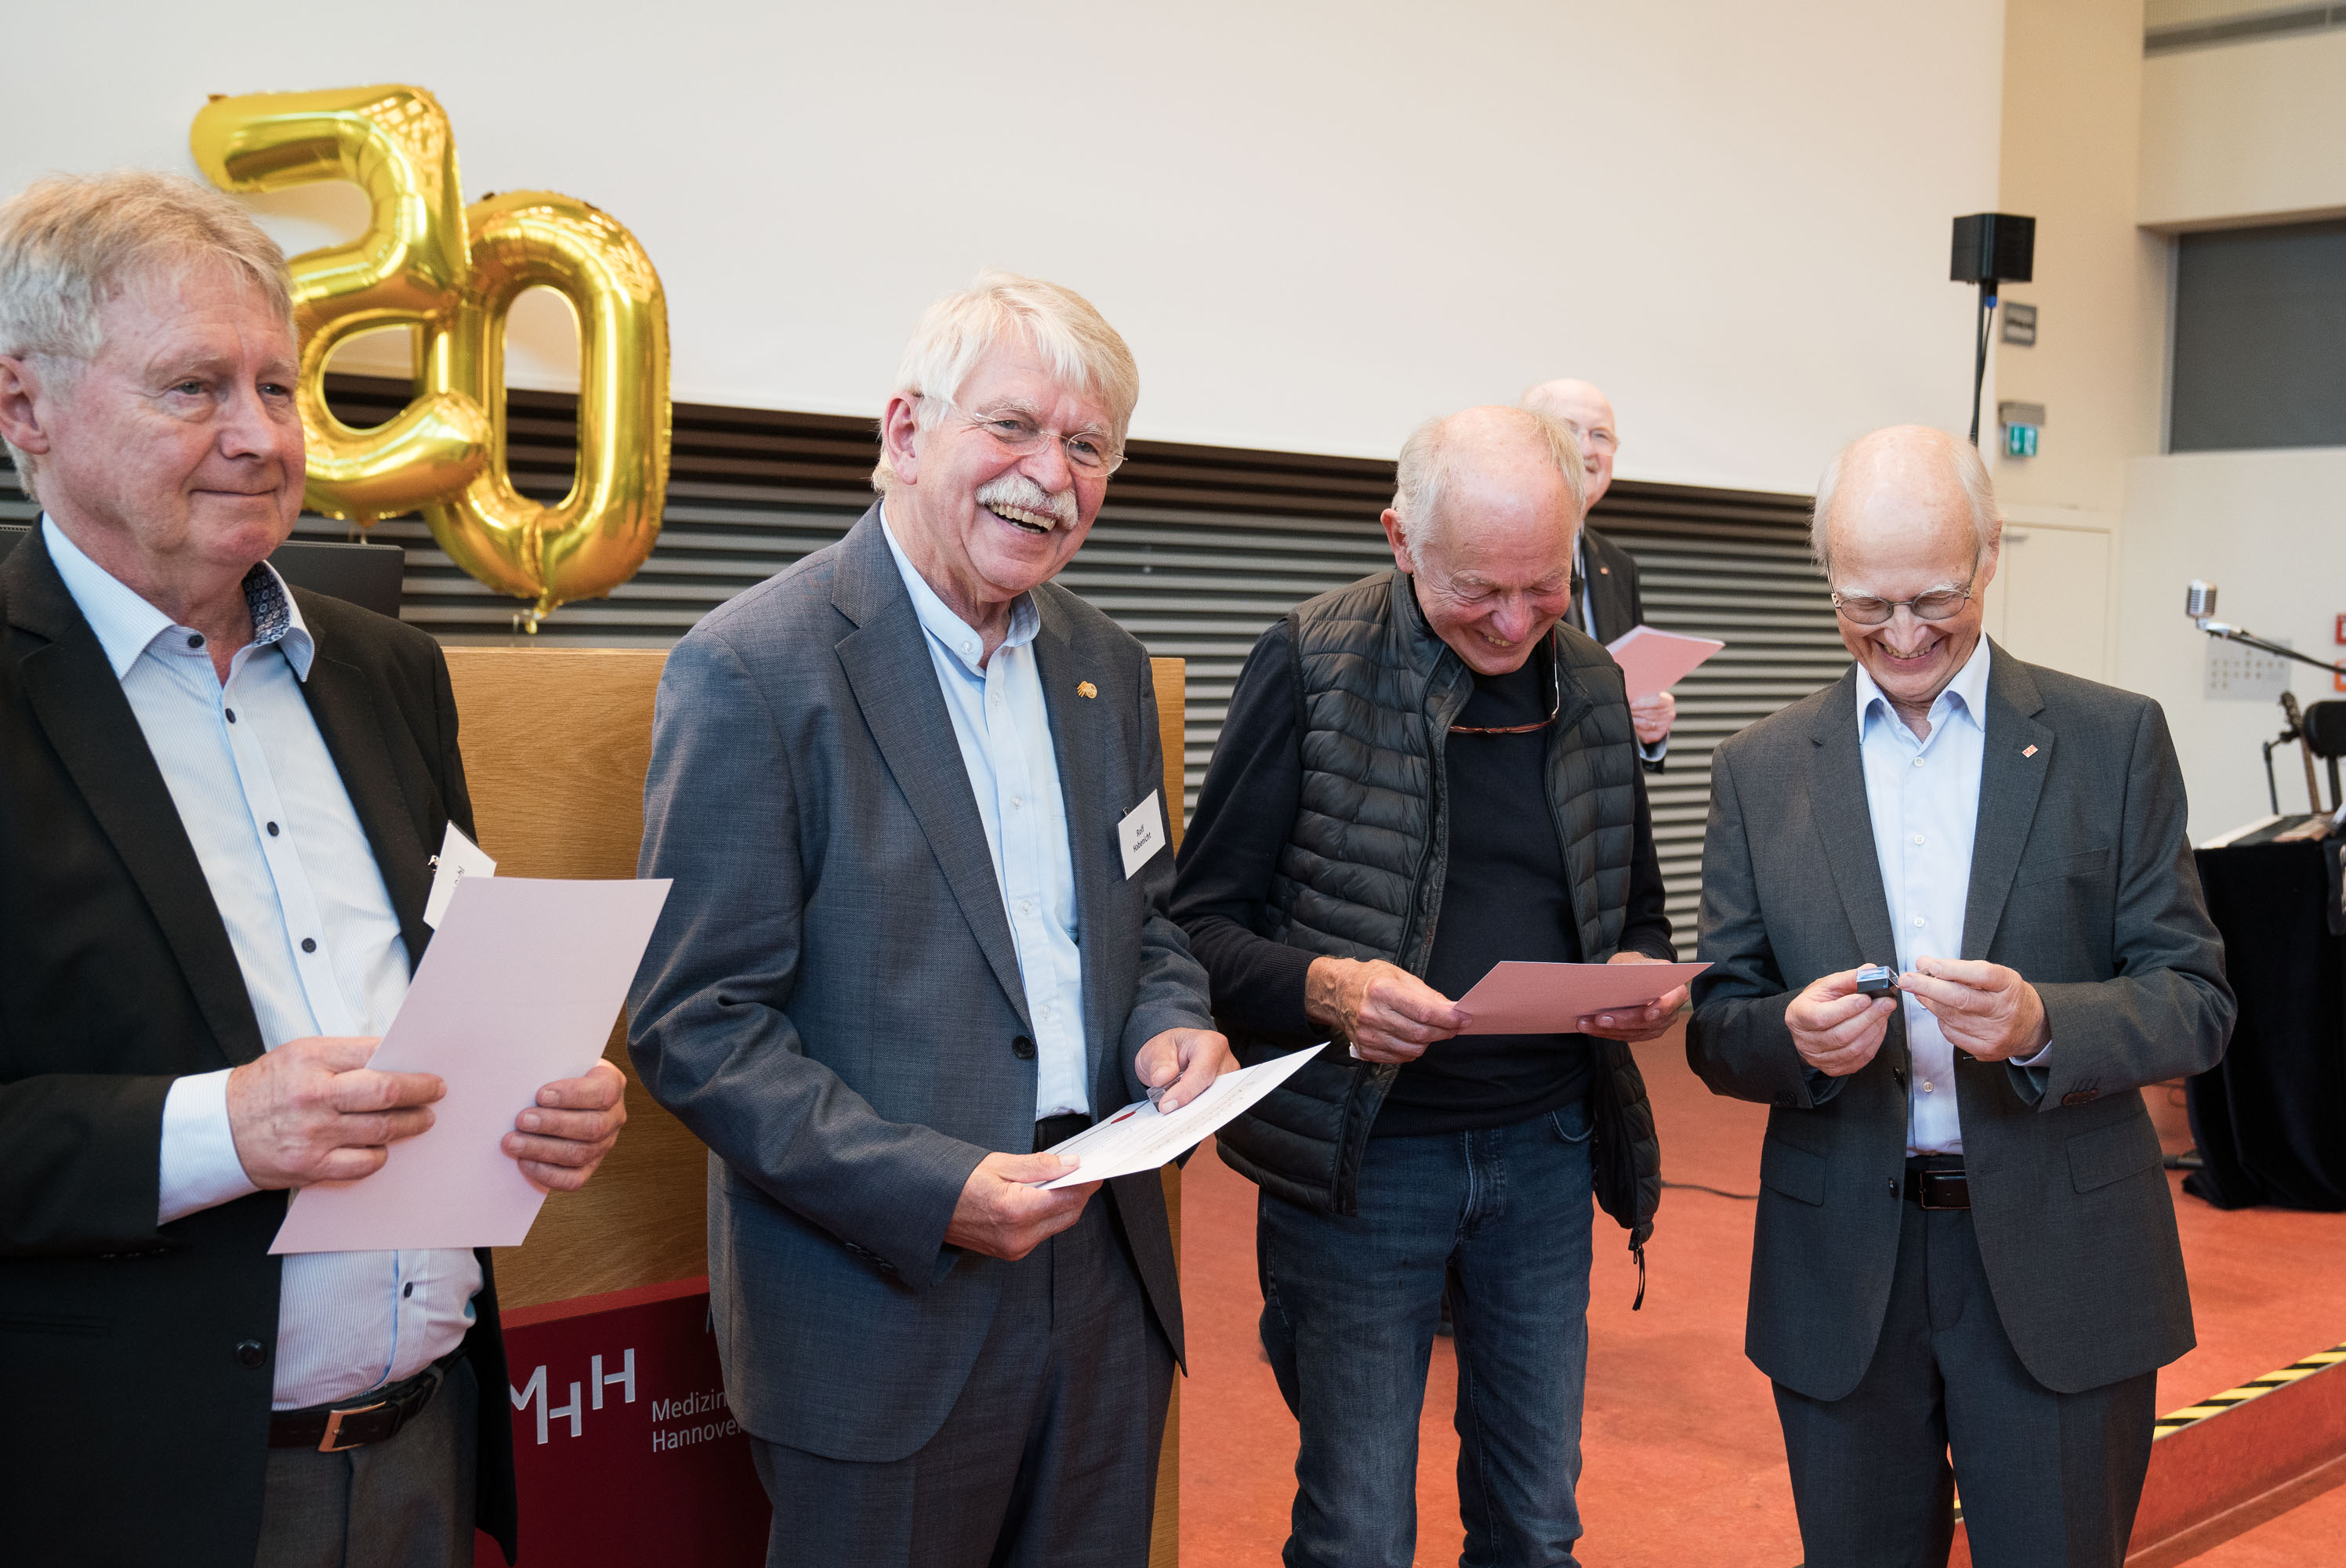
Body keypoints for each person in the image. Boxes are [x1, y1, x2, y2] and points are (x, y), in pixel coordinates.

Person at [0, 171, 629, 1568]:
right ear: (23, 408)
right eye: (192, 388)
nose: (257, 437)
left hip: (425, 1444)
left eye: (280, 389)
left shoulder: (390, 672)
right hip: (126, 1487)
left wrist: (539, 1097)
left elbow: (451, 966)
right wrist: (220, 1130)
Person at [628, 270, 1230, 1568]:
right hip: (882, 1297)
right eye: (1011, 428)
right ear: (906, 432)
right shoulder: (753, 667)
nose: (1049, 476)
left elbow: (1149, 920)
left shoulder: (1106, 667)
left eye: (1087, 447)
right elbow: (693, 1023)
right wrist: (933, 1187)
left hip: (1105, 1272)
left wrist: (1172, 1025)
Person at [1687, 425, 2234, 1568]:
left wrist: (2045, 1026)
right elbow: (1718, 1024)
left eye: (1934, 596)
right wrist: (1790, 1041)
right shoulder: (1760, 769)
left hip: (2062, 1259)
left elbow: (2195, 998)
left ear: (1990, 556)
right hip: (1844, 1271)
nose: (1900, 635)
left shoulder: (2109, 741)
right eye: (1861, 605)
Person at [1173, 404, 1684, 1568]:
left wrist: (1645, 973)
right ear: (1400, 539)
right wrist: (1330, 988)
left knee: (1538, 1521)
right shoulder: (1308, 660)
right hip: (1364, 1160)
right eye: (1477, 590)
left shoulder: (1595, 683)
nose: (1513, 622)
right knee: (1356, 1529)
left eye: (1542, 586)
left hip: (1547, 1152)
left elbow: (1639, 910)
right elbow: (1199, 928)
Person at [1520, 377, 1669, 770]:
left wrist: (1645, 725)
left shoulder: (1617, 566)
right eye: (1568, 430)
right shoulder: (1494, 548)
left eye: (1601, 435)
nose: (1587, 449)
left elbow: (1625, 690)